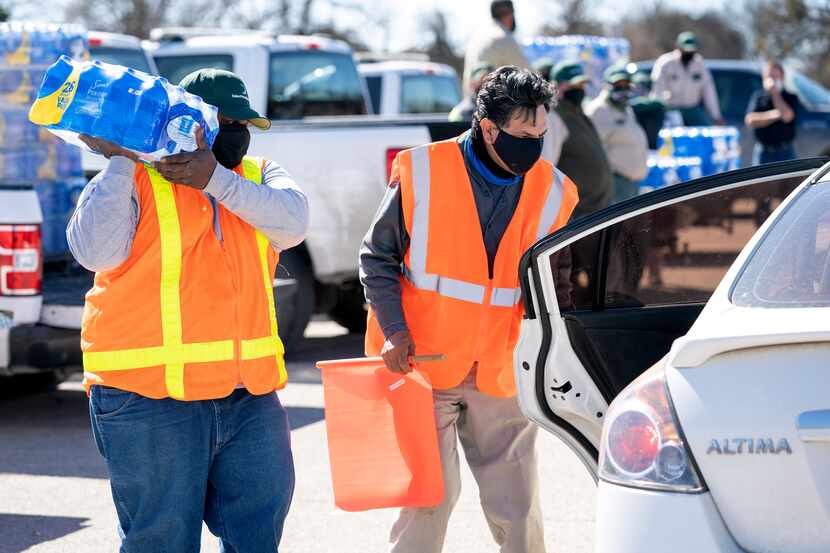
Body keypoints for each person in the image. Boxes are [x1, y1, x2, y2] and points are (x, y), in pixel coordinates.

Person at [68, 69, 309, 552]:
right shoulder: (130, 175)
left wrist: (215, 180)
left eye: (243, 123)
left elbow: (294, 222)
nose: (236, 132)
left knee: (257, 540)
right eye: (224, 121)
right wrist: (118, 159)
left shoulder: (257, 176)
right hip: (147, 396)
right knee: (161, 542)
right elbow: (95, 252)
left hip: (248, 395)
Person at [360, 66, 578, 553]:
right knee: (428, 499)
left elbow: (555, 286)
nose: (534, 146)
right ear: (488, 128)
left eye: (541, 134)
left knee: (517, 505)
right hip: (423, 364)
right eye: (524, 135)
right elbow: (377, 257)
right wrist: (394, 332)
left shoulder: (556, 192)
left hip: (500, 370)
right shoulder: (423, 171)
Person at [542, 60, 613, 220]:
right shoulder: (553, 117)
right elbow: (546, 168)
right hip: (575, 216)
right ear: (556, 87)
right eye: (573, 85)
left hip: (594, 211)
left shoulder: (579, 114)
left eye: (581, 85)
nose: (579, 90)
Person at [586, 65, 649, 203]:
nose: (622, 89)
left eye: (625, 84)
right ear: (607, 85)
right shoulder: (598, 110)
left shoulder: (624, 108)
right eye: (617, 84)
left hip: (631, 184)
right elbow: (592, 151)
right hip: (615, 183)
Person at [651, 31, 724, 126]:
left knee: (706, 132)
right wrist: (657, 112)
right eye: (686, 50)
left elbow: (709, 92)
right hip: (671, 109)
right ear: (678, 47)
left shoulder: (700, 64)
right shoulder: (666, 63)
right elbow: (658, 89)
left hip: (692, 109)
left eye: (691, 50)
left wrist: (716, 116)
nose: (688, 53)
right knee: (671, 134)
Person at [462, 0, 529, 92]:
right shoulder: (502, 36)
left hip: (471, 100)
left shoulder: (477, 36)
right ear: (510, 15)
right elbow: (527, 75)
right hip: (492, 102)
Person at [745, 60, 800, 164]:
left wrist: (775, 93)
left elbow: (787, 116)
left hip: (785, 152)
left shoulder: (791, 97)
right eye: (770, 77)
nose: (773, 81)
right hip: (763, 152)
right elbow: (750, 120)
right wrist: (776, 114)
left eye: (776, 77)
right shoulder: (758, 97)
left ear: (782, 77)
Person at [630, 70, 666, 150]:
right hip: (637, 147)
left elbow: (657, 104)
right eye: (636, 87)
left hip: (655, 147)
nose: (637, 90)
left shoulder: (656, 104)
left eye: (641, 87)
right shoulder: (629, 104)